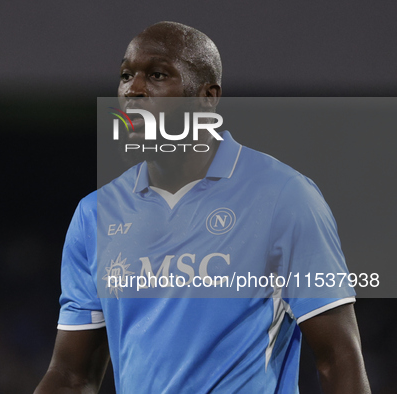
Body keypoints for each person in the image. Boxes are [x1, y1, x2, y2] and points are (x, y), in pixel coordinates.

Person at [35, 21, 370, 393]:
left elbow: (339, 358)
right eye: (126, 75)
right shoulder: (94, 214)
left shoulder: (284, 197)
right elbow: (70, 375)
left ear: (207, 97)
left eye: (157, 75)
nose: (134, 89)